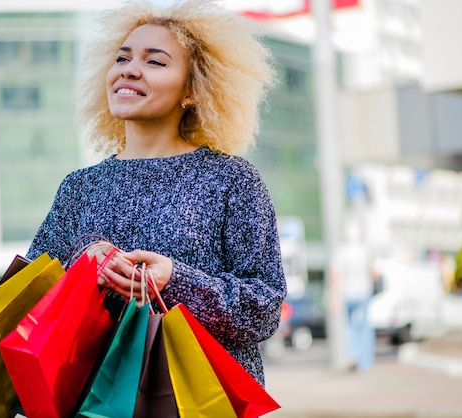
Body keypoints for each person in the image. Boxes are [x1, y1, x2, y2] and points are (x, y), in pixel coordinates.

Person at [25, 0, 286, 386]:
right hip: (92, 401)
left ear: (194, 90)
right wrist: (83, 265)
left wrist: (174, 279)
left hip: (197, 400)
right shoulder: (78, 188)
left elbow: (263, 311)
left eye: (155, 62)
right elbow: (31, 305)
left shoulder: (233, 180)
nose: (129, 69)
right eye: (122, 58)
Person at [330, 220, 376, 371]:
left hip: (347, 293)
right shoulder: (365, 250)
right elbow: (373, 273)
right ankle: (365, 361)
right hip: (364, 292)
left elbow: (336, 275)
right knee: (364, 326)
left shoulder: (341, 250)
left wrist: (334, 297)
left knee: (349, 326)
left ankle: (352, 355)